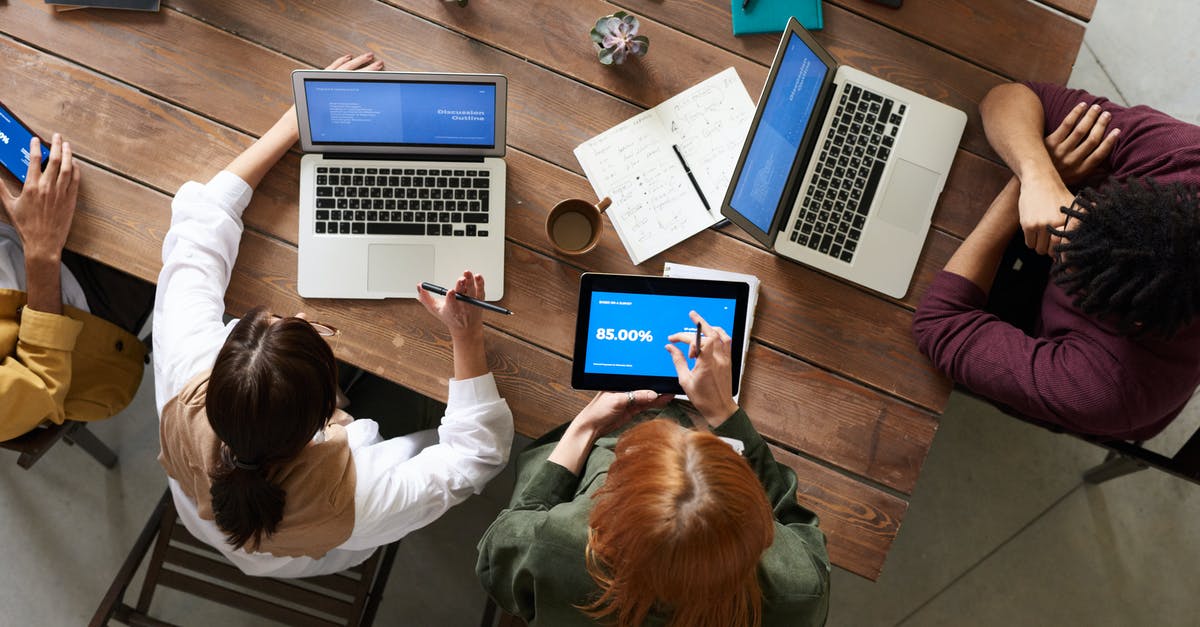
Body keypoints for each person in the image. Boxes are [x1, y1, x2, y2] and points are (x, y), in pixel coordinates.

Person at [154, 52, 513, 577]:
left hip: (213, 519)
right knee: (420, 397)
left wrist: (292, 123)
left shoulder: (187, 369)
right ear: (332, 411)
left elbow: (196, 232)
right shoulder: (361, 494)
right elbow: (476, 455)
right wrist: (466, 337)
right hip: (320, 548)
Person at [476, 311, 831, 627]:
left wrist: (586, 426)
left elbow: (501, 544)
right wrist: (725, 413)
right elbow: (794, 522)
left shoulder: (552, 547)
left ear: (607, 512)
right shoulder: (798, 594)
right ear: (757, 524)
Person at [913, 81, 1200, 440]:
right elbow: (1007, 97)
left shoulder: (1106, 388)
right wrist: (1040, 177)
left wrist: (1021, 189)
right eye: (1085, 210)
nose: (1060, 227)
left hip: (1047, 344)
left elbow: (938, 325)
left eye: (1068, 253)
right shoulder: (1185, 160)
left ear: (1128, 321)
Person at [1, 132, 153, 442]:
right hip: (77, 313)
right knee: (164, 194)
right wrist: (42, 250)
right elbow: (41, 382)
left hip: (18, 234)